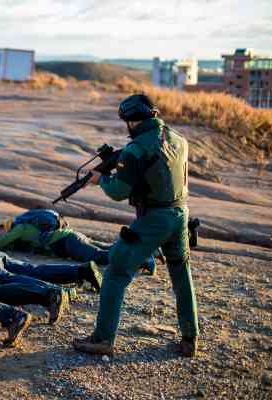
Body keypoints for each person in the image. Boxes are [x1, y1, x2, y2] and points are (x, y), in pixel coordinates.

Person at [72, 94, 199, 357]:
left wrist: (101, 180)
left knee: (116, 272)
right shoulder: (178, 138)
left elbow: (119, 191)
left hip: (154, 218)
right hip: (181, 213)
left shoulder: (136, 149)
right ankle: (190, 339)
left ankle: (102, 339)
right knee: (181, 274)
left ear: (131, 121)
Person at [0, 208, 157, 275]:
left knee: (101, 257)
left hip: (68, 242)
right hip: (70, 236)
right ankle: (149, 250)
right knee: (107, 248)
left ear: (5, 228)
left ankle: (144, 259)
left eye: (0, 233)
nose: (0, 236)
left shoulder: (20, 228)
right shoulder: (24, 230)